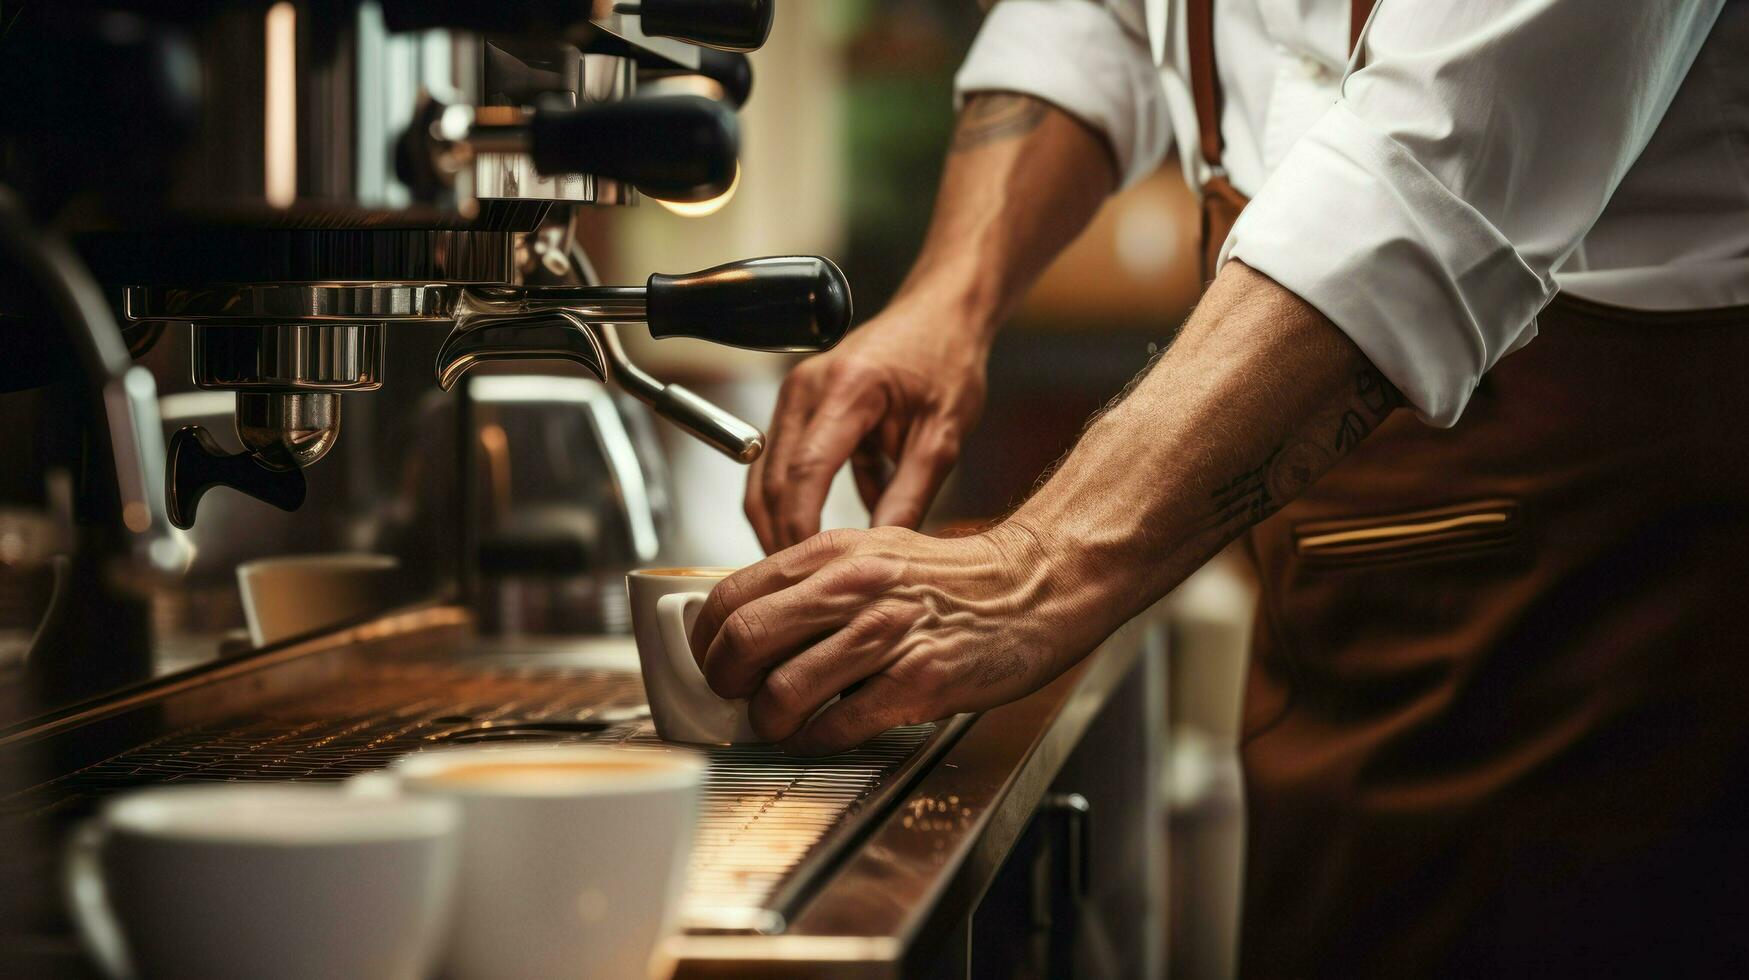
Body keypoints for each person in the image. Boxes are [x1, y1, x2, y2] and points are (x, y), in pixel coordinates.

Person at [690, 1, 1749, 974]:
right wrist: (948, 299)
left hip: (1629, 610)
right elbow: (1092, 15)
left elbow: (1435, 170)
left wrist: (1035, 565)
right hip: (1334, 656)